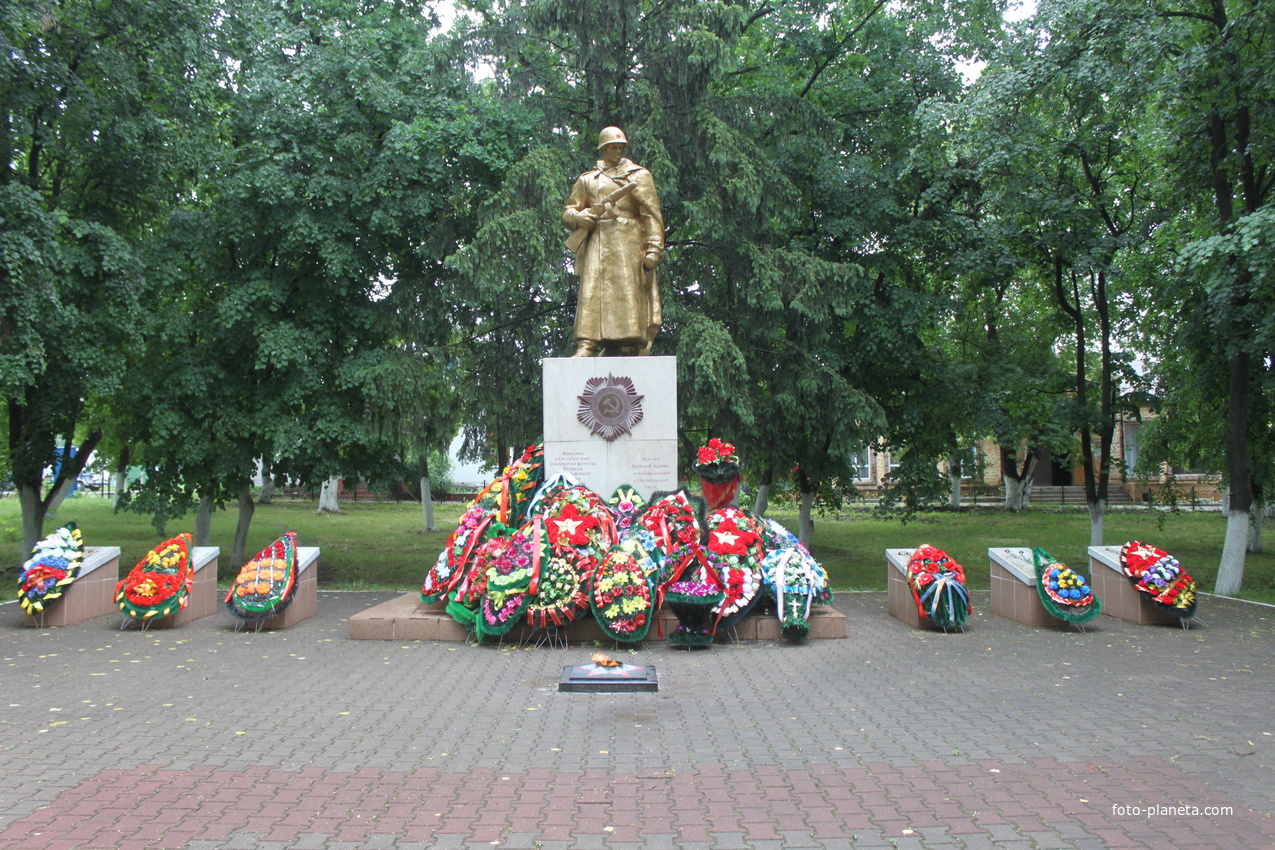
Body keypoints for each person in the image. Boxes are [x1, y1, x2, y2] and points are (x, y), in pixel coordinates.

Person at [561, 126, 664, 356]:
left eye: (620, 147)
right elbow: (568, 211)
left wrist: (654, 249)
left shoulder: (639, 176)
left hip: (629, 243)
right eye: (611, 147)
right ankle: (586, 344)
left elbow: (651, 215)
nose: (616, 151)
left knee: (629, 292)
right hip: (597, 241)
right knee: (591, 292)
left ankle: (629, 343)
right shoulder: (588, 179)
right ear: (603, 149)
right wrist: (579, 217)